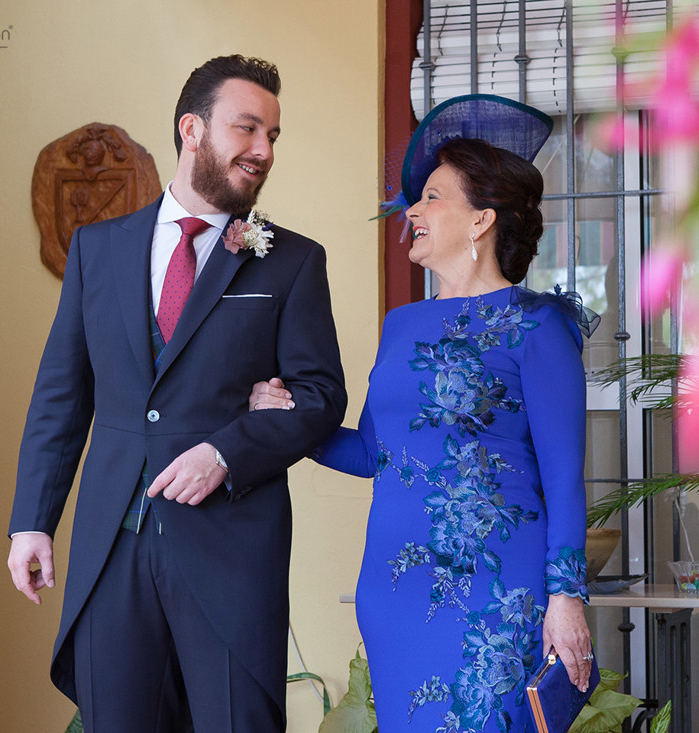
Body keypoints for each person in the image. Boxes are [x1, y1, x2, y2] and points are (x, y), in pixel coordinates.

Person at [6, 55, 346, 732]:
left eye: (272, 136)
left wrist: (227, 450)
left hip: (231, 550)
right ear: (192, 129)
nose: (262, 150)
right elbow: (61, 396)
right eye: (247, 128)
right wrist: (32, 519)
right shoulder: (96, 250)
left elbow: (319, 397)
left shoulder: (293, 261)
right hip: (112, 548)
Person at [251, 95, 598, 732]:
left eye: (433, 196)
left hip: (496, 597)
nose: (413, 210)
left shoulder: (537, 326)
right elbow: (372, 455)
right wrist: (292, 418)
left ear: (481, 221)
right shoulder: (401, 325)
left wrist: (566, 597)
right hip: (395, 592)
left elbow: (564, 477)